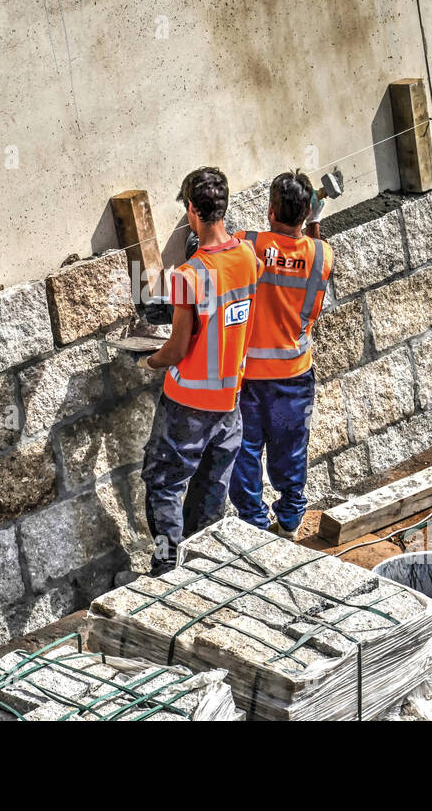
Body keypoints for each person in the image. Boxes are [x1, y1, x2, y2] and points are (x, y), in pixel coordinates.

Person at [137, 167, 261, 575]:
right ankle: (201, 569)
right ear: (223, 207)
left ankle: (166, 569)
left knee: (164, 484)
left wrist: (147, 361)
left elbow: (176, 348)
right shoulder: (247, 257)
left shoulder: (189, 276)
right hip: (229, 404)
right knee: (211, 489)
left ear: (192, 209)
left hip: (187, 404)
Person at [229, 170, 333, 540]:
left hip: (248, 378)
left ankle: (254, 524)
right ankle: (289, 521)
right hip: (293, 375)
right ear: (306, 213)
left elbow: (215, 249)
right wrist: (314, 224)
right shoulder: (322, 253)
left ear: (271, 210)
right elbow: (314, 281)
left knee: (245, 452)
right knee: (290, 451)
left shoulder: (247, 243)